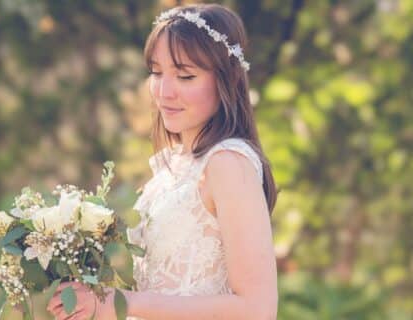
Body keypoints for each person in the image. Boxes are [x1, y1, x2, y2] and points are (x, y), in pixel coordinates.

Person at [47, 3, 278, 319]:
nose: (164, 91)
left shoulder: (228, 163)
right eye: (157, 72)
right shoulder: (176, 166)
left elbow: (257, 309)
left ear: (226, 79)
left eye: (185, 75)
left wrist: (120, 303)